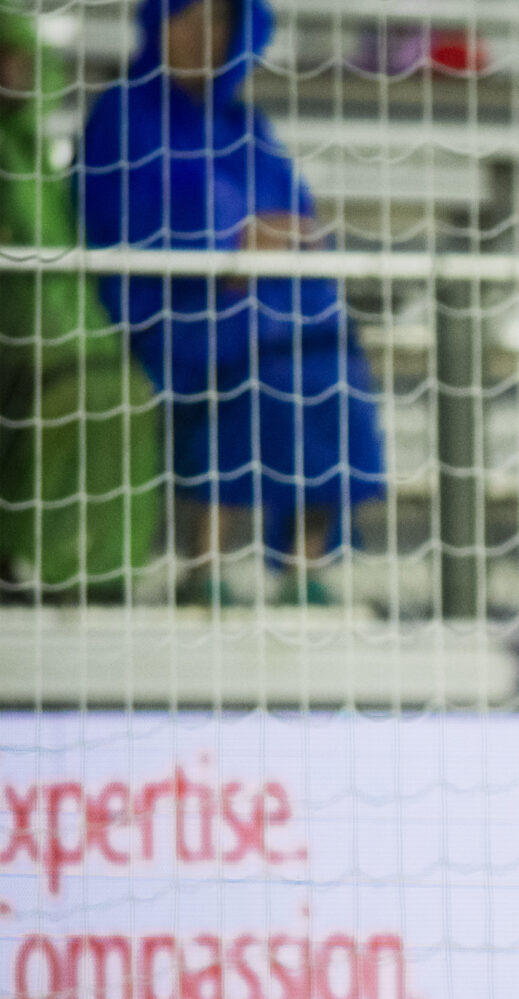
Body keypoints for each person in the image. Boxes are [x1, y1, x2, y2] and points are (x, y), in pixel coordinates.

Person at [78, 0, 385, 606]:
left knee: (326, 351)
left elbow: (296, 213)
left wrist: (284, 236)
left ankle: (305, 566)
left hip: (264, 302)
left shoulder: (248, 128)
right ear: (156, 23)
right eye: (187, 17)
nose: (203, 36)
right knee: (247, 359)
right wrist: (227, 241)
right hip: (171, 302)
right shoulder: (123, 114)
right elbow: (120, 214)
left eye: (220, 22)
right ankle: (207, 565)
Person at [0, 1, 161, 603]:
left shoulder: (35, 160)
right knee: (72, 392)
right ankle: (22, 556)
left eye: (20, 58)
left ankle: (93, 573)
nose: (12, 72)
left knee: (122, 390)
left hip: (60, 340)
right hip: (22, 347)